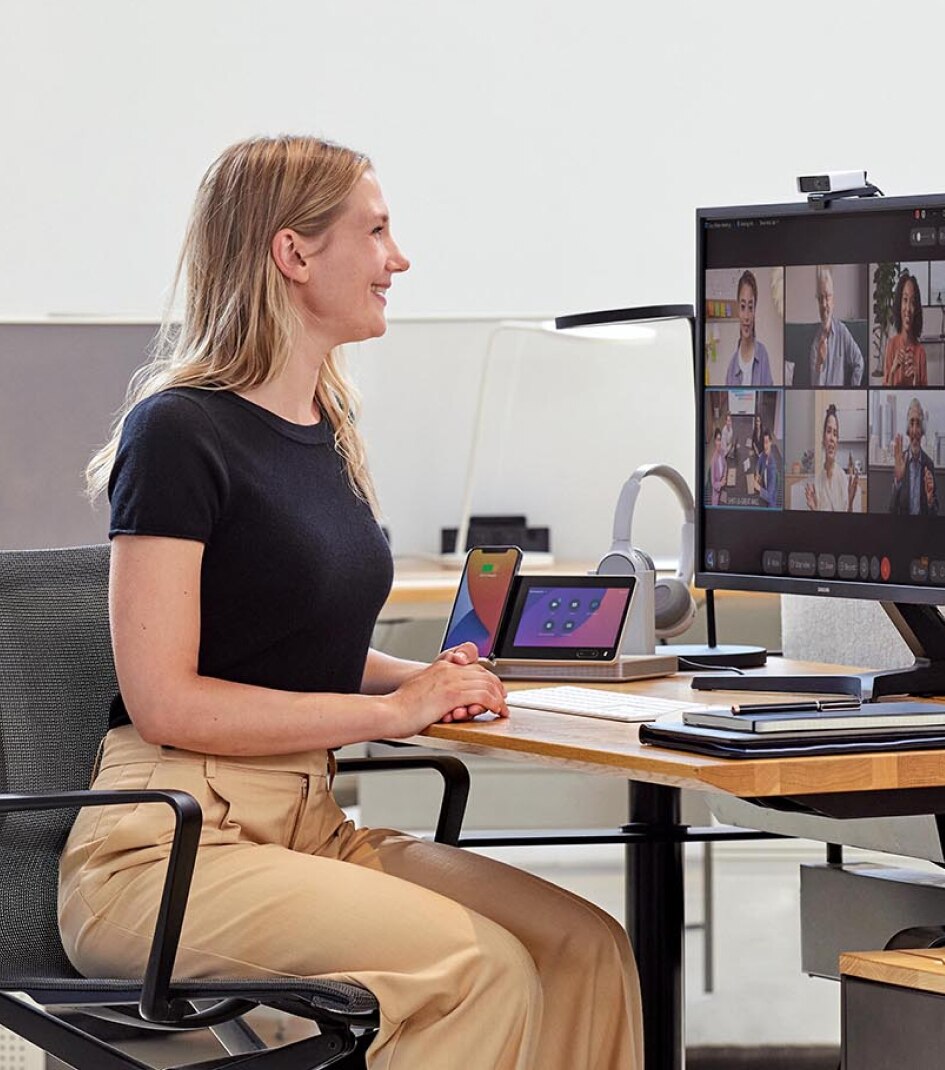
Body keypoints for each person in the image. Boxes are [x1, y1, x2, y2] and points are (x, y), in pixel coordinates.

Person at [57, 136, 643, 1070]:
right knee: (476, 967)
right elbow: (166, 698)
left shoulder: (324, 427)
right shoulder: (176, 432)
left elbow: (289, 647)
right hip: (169, 849)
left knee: (586, 949)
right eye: (374, 232)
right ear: (293, 254)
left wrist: (423, 679)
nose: (396, 259)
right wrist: (388, 712)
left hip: (308, 822)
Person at [809, 266, 864, 387]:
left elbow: (859, 362)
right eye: (820, 298)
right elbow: (815, 387)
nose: (824, 304)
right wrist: (819, 363)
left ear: (833, 300)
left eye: (827, 297)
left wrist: (853, 389)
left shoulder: (842, 332)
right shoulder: (815, 344)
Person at [889, 397, 939, 515]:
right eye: (911, 423)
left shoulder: (929, 464)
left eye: (918, 424)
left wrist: (930, 498)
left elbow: (935, 513)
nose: (915, 430)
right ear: (907, 429)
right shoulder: (900, 461)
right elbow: (891, 510)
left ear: (922, 430)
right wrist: (898, 481)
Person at [724, 270, 775, 386]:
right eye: (743, 307)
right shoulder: (731, 367)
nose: (746, 316)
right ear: (737, 309)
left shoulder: (763, 355)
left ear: (755, 310)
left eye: (750, 307)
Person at [805, 404, 859, 512]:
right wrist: (814, 509)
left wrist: (850, 502)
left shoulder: (844, 479)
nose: (832, 438)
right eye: (829, 431)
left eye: (835, 433)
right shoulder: (818, 481)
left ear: (837, 442)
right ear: (823, 439)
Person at [883, 272, 928, 387]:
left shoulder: (921, 352)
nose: (908, 308)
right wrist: (893, 372)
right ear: (899, 304)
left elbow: (925, 396)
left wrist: (916, 379)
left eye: (912, 302)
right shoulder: (891, 345)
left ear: (916, 309)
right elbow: (885, 394)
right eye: (905, 300)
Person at [756, 429, 779, 508]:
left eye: (766, 442)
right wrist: (757, 473)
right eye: (763, 443)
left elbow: (769, 497)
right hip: (764, 488)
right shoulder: (763, 454)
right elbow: (758, 463)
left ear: (771, 442)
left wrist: (758, 487)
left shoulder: (772, 469)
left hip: (770, 504)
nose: (765, 446)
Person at [708, 425, 728, 505]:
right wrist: (721, 483)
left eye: (720, 440)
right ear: (714, 441)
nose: (719, 443)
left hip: (723, 489)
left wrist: (724, 476)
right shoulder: (713, 461)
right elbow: (713, 484)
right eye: (717, 440)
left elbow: (725, 465)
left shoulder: (722, 452)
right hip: (716, 494)